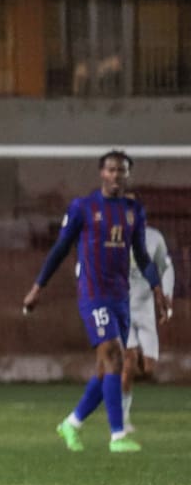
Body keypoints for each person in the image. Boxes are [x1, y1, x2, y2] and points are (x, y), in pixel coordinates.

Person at [22, 151, 168, 453]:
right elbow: (60, 249)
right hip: (93, 294)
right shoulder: (83, 207)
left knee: (107, 370)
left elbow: (141, 255)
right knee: (115, 355)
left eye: (122, 171)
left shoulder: (133, 211)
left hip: (120, 297)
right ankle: (117, 435)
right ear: (102, 173)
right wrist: (38, 287)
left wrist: (157, 289)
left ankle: (71, 424)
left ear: (128, 175)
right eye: (112, 170)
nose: (117, 175)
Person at [120, 209, 175, 434]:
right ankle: (122, 419)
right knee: (130, 361)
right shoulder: (113, 239)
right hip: (121, 309)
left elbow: (166, 267)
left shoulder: (154, 238)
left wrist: (167, 295)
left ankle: (119, 376)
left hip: (145, 311)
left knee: (149, 368)